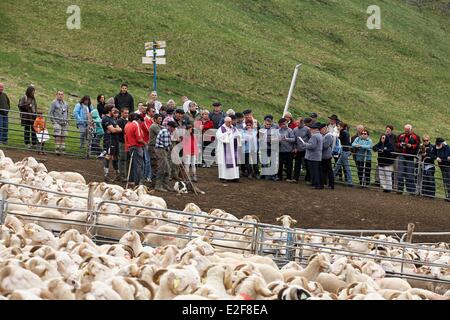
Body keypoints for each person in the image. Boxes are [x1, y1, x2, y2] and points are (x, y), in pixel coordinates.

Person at [102, 100, 122, 182]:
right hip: (109, 140)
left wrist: (115, 129)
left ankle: (117, 174)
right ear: (109, 111)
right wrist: (116, 129)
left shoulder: (113, 119)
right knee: (108, 155)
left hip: (115, 140)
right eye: (113, 110)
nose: (114, 111)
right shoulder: (106, 119)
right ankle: (106, 175)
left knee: (115, 156)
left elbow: (119, 129)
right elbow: (113, 130)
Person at [154, 121, 178, 192]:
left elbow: (169, 143)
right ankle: (158, 185)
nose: (174, 129)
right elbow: (167, 145)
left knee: (167, 168)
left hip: (163, 150)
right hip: (161, 150)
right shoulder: (165, 132)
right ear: (170, 127)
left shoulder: (167, 132)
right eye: (173, 127)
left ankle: (164, 184)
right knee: (162, 168)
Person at [216, 117, 241, 182]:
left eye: (230, 121)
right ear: (225, 122)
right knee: (224, 162)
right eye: (228, 122)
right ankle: (223, 177)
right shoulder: (221, 129)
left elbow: (239, 135)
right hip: (224, 149)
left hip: (233, 149)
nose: (230, 123)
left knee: (234, 162)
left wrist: (238, 136)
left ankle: (234, 177)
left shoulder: (234, 128)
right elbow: (219, 136)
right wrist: (227, 134)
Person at [396, 124, 419, 194]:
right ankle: (399, 190)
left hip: (410, 157)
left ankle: (411, 191)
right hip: (401, 156)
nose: (406, 132)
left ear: (411, 130)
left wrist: (411, 146)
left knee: (410, 175)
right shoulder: (401, 135)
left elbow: (418, 146)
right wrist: (400, 145)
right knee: (400, 174)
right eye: (405, 130)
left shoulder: (415, 137)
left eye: (407, 131)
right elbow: (396, 143)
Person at [299, 122, 323, 189]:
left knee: (314, 171)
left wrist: (305, 144)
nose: (310, 130)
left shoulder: (314, 136)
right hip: (317, 156)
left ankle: (316, 185)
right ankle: (315, 183)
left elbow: (312, 146)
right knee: (315, 171)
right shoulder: (319, 135)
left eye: (312, 129)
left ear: (315, 129)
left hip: (313, 156)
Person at [124, 113, 145, 187]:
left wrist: (126, 147)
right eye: (140, 121)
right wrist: (145, 143)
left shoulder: (127, 125)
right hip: (137, 146)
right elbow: (139, 138)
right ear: (138, 119)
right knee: (138, 165)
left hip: (130, 146)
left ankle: (131, 180)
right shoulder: (136, 125)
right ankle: (138, 182)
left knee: (131, 164)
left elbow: (125, 137)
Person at [259, 115, 279, 181]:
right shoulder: (261, 130)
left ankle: (273, 175)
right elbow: (258, 139)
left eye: (270, 124)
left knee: (273, 162)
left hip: (272, 148)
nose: (268, 125)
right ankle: (265, 174)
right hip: (264, 148)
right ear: (264, 123)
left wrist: (273, 140)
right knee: (264, 161)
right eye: (267, 124)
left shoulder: (274, 130)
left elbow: (278, 138)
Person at [49, 90, 69, 155]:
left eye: (62, 94)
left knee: (64, 135)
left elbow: (67, 112)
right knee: (57, 134)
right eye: (59, 94)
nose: (60, 95)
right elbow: (50, 113)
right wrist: (54, 122)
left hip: (64, 122)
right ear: (57, 95)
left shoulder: (66, 103)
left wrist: (67, 121)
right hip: (57, 122)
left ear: (63, 95)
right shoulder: (54, 103)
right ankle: (57, 148)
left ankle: (62, 148)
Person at [333, 122, 353, 187]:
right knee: (338, 165)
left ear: (341, 126)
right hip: (345, 151)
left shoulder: (343, 132)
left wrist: (336, 134)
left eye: (338, 126)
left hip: (345, 151)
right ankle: (332, 177)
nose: (337, 127)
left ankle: (350, 181)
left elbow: (340, 138)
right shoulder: (345, 132)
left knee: (346, 167)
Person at [293, 118, 311, 182]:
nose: (297, 125)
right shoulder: (295, 129)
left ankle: (308, 178)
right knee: (297, 164)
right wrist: (295, 147)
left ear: (302, 122)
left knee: (307, 164)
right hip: (298, 150)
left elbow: (311, 138)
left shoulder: (307, 129)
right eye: (296, 123)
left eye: (298, 123)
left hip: (305, 149)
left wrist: (308, 145)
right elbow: (294, 140)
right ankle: (295, 178)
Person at [116, 107, 130, 182]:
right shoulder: (119, 121)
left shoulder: (127, 121)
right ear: (121, 113)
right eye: (125, 113)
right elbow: (120, 132)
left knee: (127, 159)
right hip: (122, 141)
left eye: (127, 113)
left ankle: (126, 174)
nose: (126, 114)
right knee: (122, 159)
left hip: (127, 142)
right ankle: (122, 175)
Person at [149, 114, 163, 179]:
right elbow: (161, 133)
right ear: (155, 119)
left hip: (155, 146)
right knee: (154, 163)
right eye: (159, 119)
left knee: (157, 162)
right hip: (153, 146)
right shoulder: (154, 126)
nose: (161, 120)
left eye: (161, 119)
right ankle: (154, 179)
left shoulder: (158, 126)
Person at [321, 124, 335, 189]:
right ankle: (324, 182)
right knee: (325, 170)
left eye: (322, 129)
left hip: (326, 155)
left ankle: (331, 184)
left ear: (325, 129)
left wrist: (318, 146)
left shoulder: (328, 136)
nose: (321, 130)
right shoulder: (325, 135)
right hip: (324, 155)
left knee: (329, 170)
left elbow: (325, 146)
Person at [142, 107, 154, 183]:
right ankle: (147, 176)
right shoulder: (145, 120)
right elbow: (148, 130)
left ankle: (147, 175)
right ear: (148, 112)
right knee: (147, 160)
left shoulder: (150, 120)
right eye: (152, 111)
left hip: (149, 142)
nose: (154, 112)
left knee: (148, 160)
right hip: (146, 142)